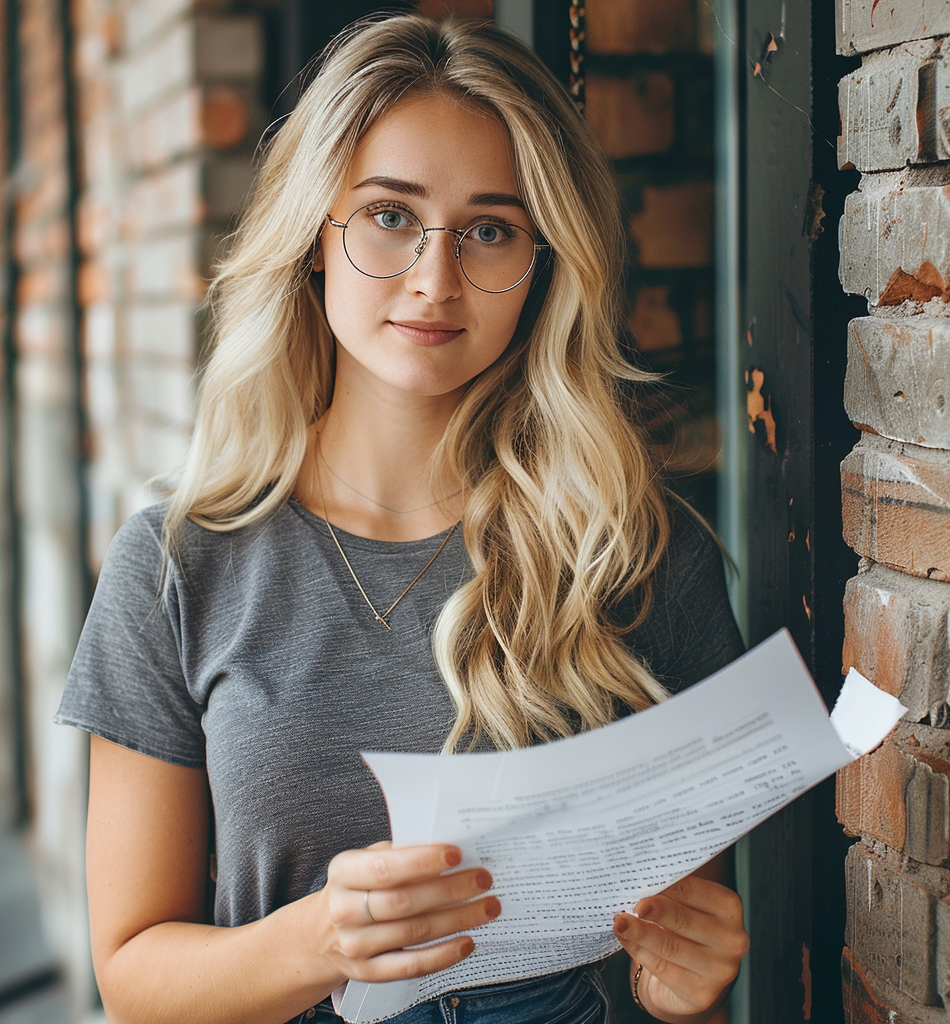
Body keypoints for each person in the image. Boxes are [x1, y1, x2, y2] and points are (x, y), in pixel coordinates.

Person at [55, 14, 749, 1024]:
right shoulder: (175, 565)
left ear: (544, 266)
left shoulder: (633, 555)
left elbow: (678, 936)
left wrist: (682, 986)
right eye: (389, 215)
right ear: (313, 238)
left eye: (490, 229)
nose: (435, 278)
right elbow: (131, 979)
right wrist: (318, 938)